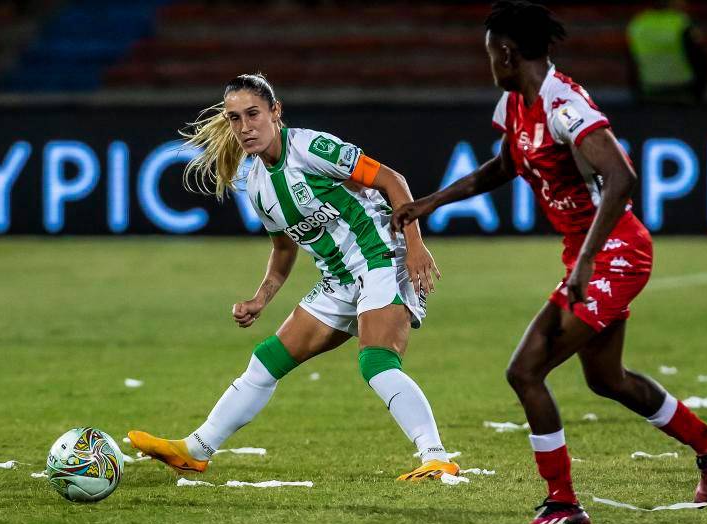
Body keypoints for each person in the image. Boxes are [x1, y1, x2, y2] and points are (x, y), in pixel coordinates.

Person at [392, 1, 707, 524]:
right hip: (588, 257)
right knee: (607, 378)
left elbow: (621, 177)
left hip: (614, 255)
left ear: (507, 53)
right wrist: (431, 202)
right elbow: (504, 166)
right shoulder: (516, 105)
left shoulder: (564, 103)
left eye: (490, 53)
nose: (489, 63)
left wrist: (582, 268)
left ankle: (563, 502)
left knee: (525, 370)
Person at [128, 73, 459, 482]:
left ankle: (436, 455)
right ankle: (195, 450)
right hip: (338, 278)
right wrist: (260, 299)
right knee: (267, 360)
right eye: (234, 118)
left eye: (253, 114)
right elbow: (283, 250)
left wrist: (415, 245)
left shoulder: (312, 148)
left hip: (381, 257)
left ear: (275, 111)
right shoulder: (257, 185)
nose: (245, 127)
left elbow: (393, 180)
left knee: (376, 360)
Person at [627, 0, 707, 104]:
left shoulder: (638, 23)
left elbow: (632, 62)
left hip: (649, 90)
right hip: (682, 89)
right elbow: (699, 60)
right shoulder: (681, 22)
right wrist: (700, 94)